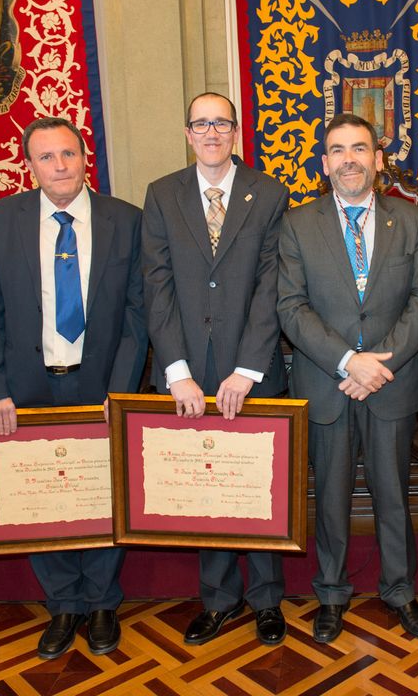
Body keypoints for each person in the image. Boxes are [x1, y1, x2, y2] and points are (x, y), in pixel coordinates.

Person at [0, 116, 147, 660]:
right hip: (27, 388)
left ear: (84, 157)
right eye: (46, 157)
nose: (59, 166)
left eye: (68, 154)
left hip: (99, 385)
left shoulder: (126, 220)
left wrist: (119, 392)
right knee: (43, 499)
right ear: (30, 166)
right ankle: (63, 605)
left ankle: (101, 604)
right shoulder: (4, 219)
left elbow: (137, 318)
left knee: (103, 495)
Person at [277, 113, 418, 643]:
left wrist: (378, 366)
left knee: (393, 494)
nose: (350, 158)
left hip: (391, 384)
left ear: (378, 159)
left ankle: (399, 592)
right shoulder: (299, 223)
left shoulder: (410, 220)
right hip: (328, 383)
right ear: (324, 164)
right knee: (332, 496)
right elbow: (292, 308)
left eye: (360, 148)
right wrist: (349, 362)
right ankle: (331, 593)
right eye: (338, 150)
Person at [141, 92, 290, 645]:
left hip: (252, 369)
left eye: (220, 123)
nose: (210, 132)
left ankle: (269, 599)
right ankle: (220, 599)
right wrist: (176, 370)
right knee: (207, 487)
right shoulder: (162, 195)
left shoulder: (269, 193)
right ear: (187, 133)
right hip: (190, 372)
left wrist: (247, 369)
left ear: (235, 132)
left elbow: (272, 286)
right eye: (200, 123)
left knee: (260, 485)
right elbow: (156, 285)